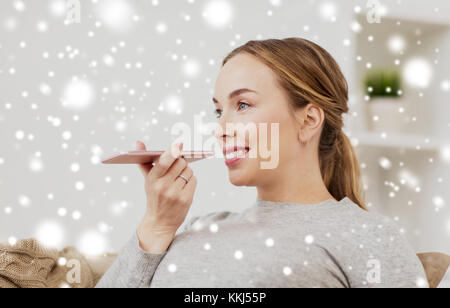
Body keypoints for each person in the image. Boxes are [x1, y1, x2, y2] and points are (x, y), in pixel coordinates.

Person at [96, 38, 428, 288]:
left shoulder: (367, 237)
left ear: (309, 120)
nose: (221, 128)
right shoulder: (196, 227)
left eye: (242, 105)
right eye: (218, 111)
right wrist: (157, 224)